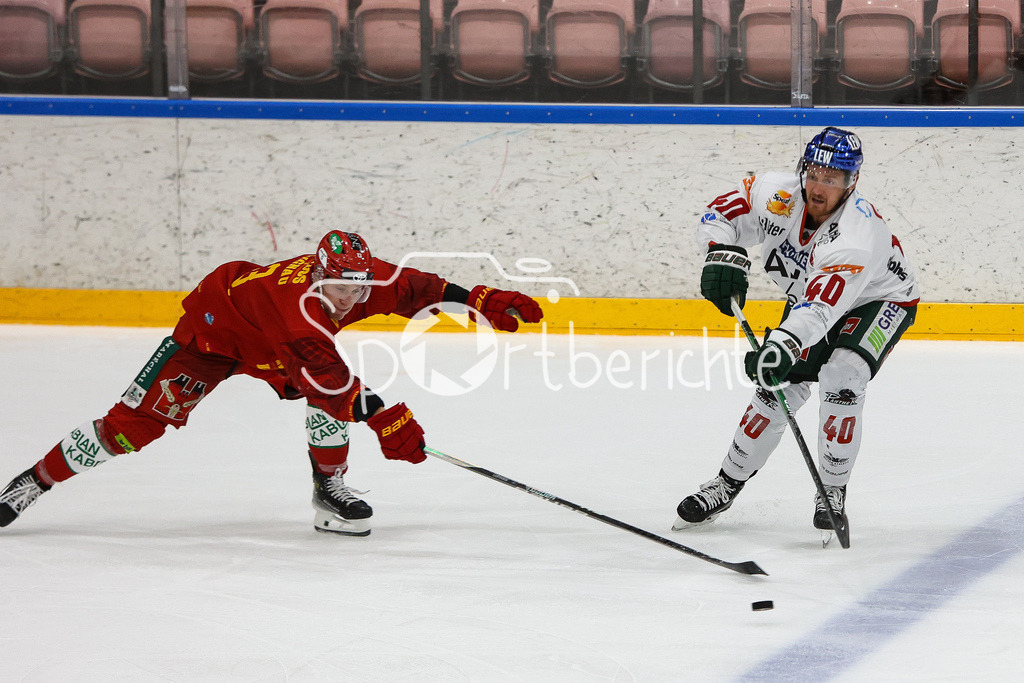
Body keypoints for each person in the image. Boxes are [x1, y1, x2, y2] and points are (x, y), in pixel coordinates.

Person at [0, 231, 543, 536]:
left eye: (358, 289)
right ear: (318, 277)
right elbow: (332, 383)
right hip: (210, 342)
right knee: (130, 429)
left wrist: (478, 299)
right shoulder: (298, 313)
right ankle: (33, 482)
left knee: (328, 399)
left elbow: (414, 287)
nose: (351, 300)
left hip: (278, 350)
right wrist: (384, 418)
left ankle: (329, 489)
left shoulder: (356, 279)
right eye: (340, 290)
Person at [673, 127, 919, 535]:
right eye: (814, 173)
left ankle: (832, 490)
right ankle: (726, 483)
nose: (819, 186)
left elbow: (822, 310)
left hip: (881, 300)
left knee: (843, 375)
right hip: (814, 298)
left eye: (832, 178)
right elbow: (719, 215)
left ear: (852, 181)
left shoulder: (857, 235)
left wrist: (783, 344)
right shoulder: (775, 193)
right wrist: (719, 251)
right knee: (776, 388)